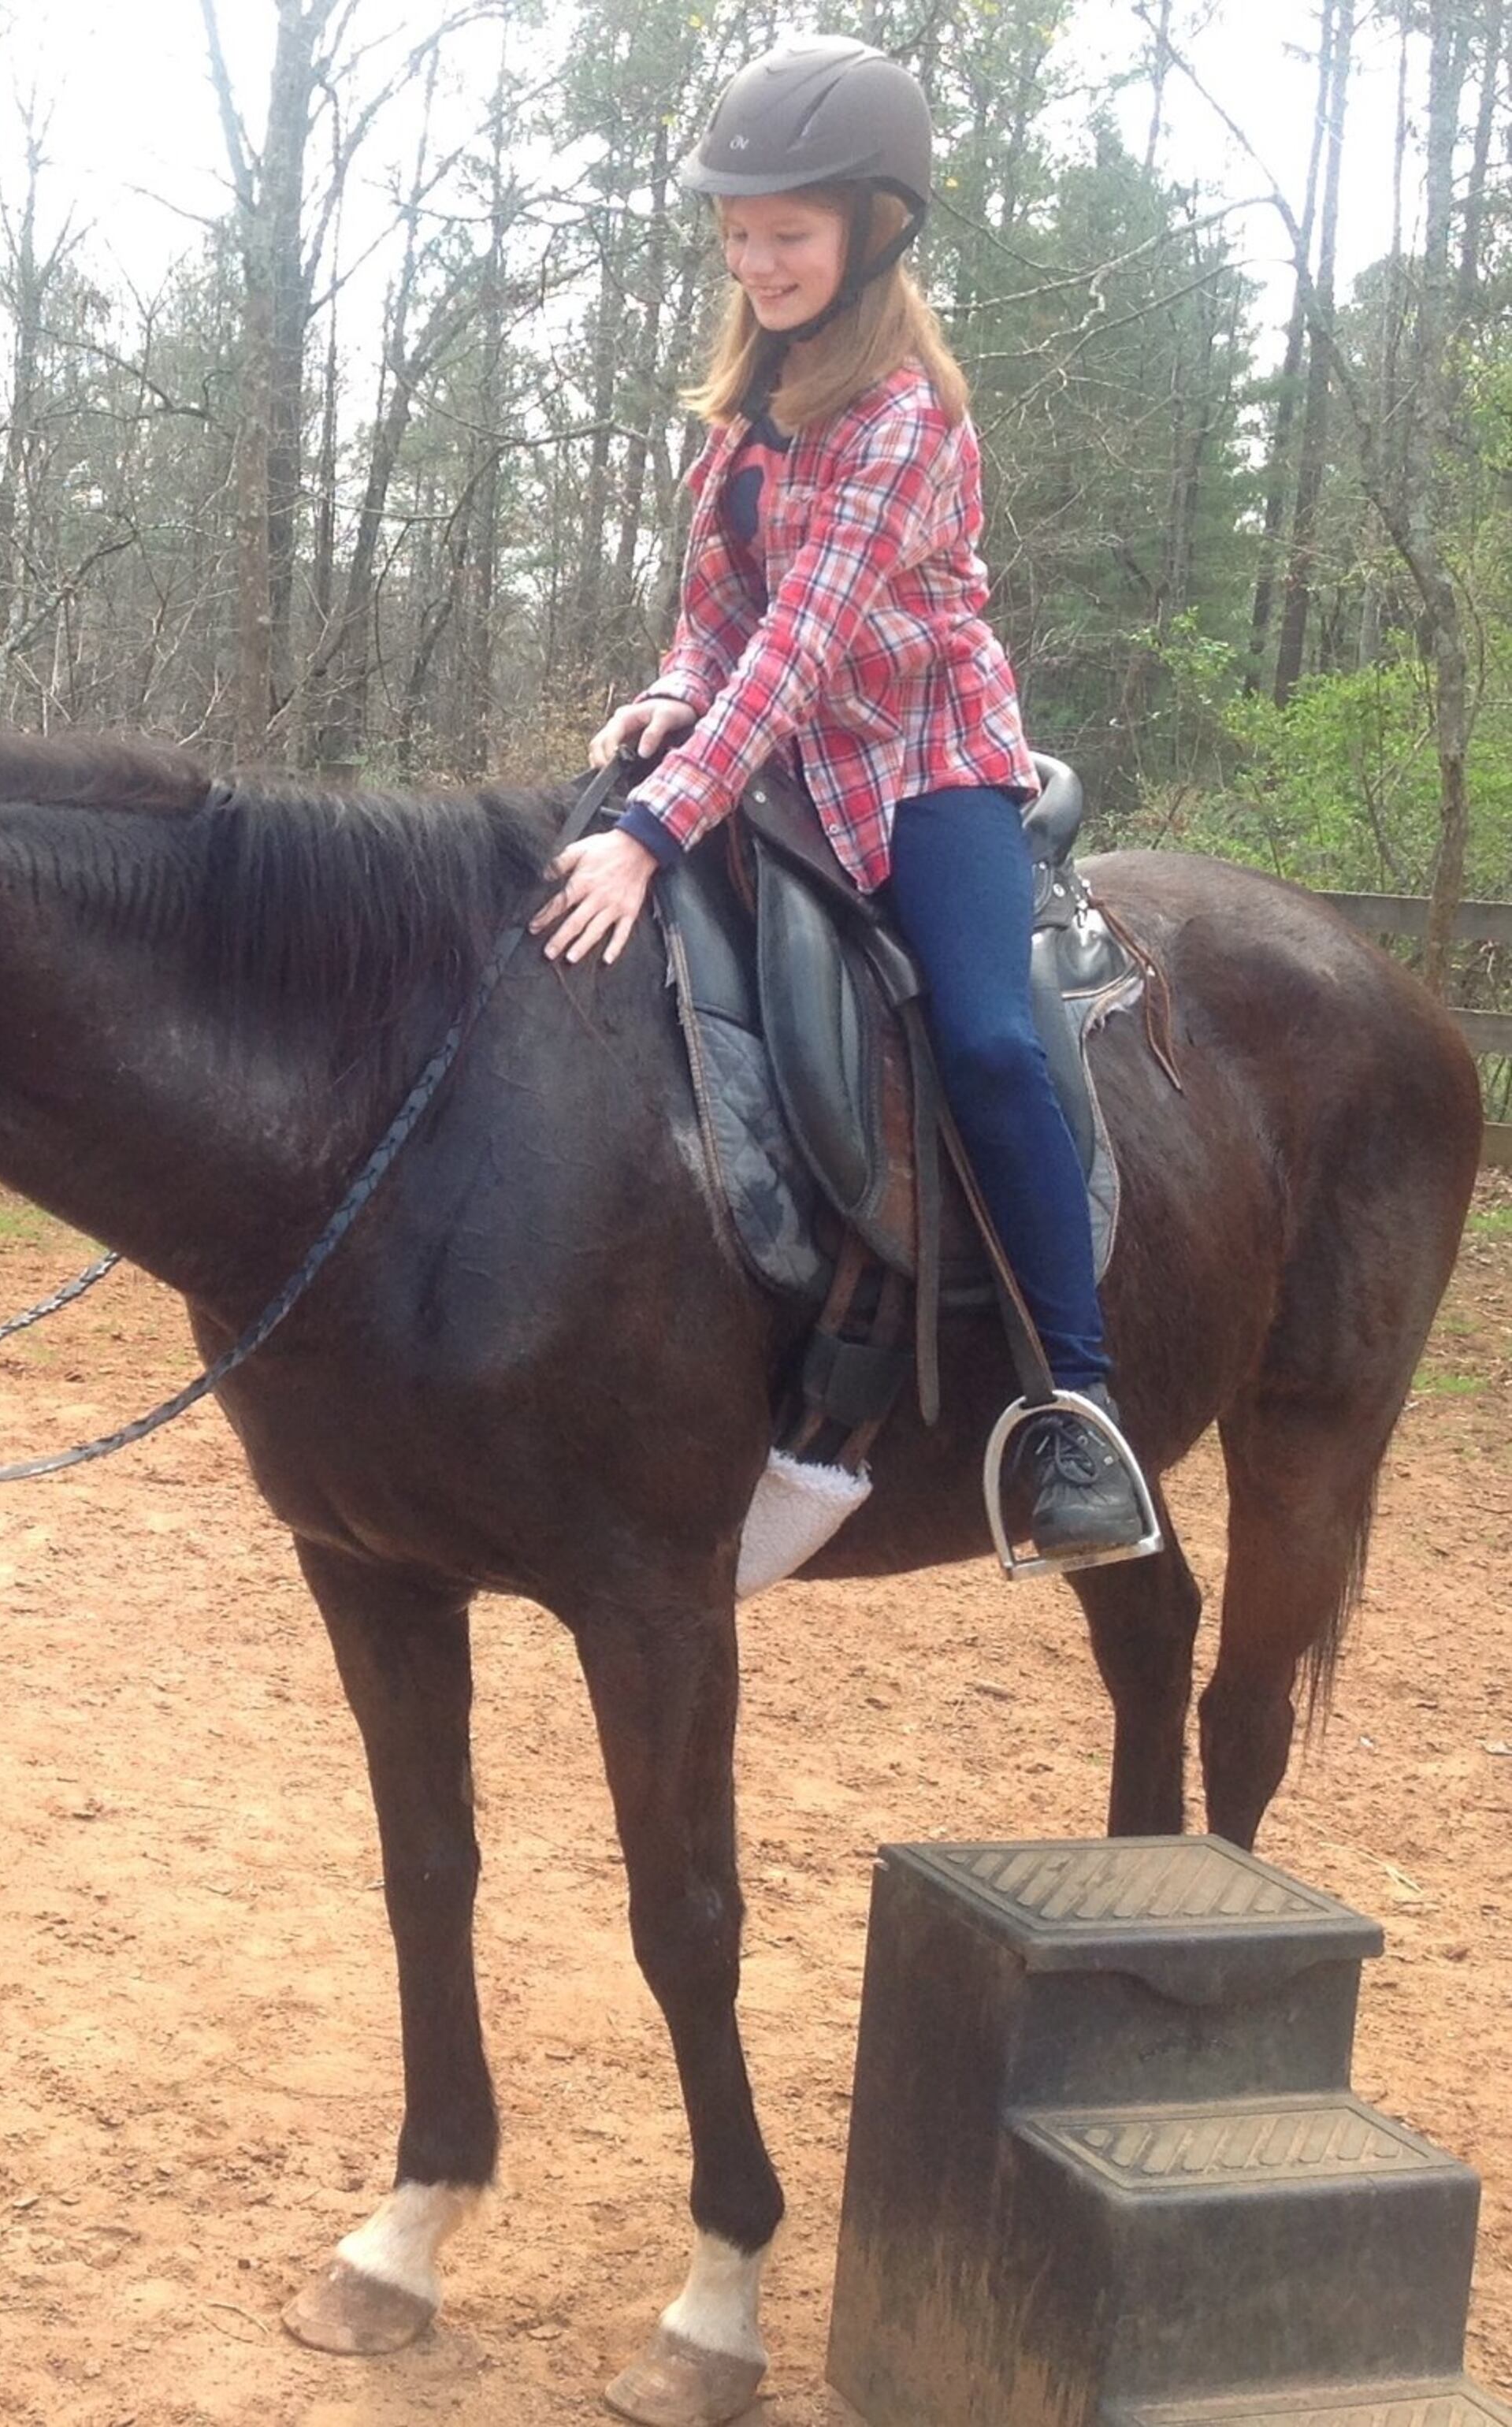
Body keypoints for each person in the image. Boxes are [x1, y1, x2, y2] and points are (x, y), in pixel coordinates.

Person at [526, 32, 1149, 1561]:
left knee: (993, 1040)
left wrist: (653, 825)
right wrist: (676, 687)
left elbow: (803, 647)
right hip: (777, 755)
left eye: (788, 234)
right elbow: (724, 612)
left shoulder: (906, 420)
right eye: (739, 234)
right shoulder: (754, 391)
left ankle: (1078, 1410)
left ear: (873, 231)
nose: (758, 260)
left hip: (919, 770)